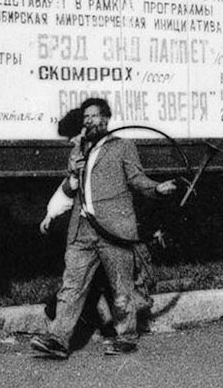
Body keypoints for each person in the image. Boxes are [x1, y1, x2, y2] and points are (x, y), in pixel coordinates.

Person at [30, 99, 178, 359]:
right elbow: (71, 185)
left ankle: (127, 337)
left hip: (114, 229)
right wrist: (73, 173)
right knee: (71, 285)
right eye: (85, 117)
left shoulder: (122, 146)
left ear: (107, 118)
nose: (89, 121)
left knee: (121, 286)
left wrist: (157, 188)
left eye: (94, 116)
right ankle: (58, 339)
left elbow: (137, 179)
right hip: (82, 228)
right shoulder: (78, 149)